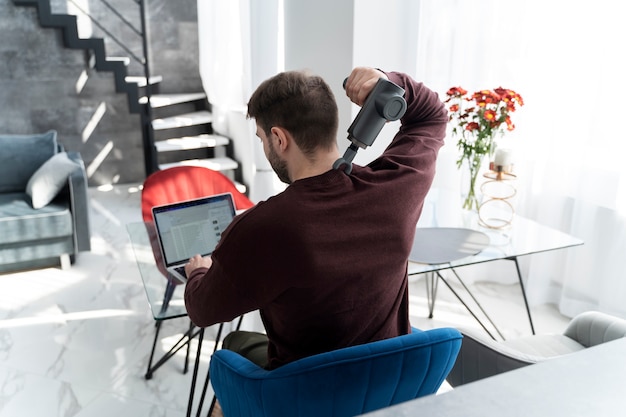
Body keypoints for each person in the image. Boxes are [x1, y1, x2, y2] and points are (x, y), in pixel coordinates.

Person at [184, 67, 447, 370]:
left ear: (279, 138)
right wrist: (388, 82)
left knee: (235, 344)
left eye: (261, 138)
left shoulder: (262, 227)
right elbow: (432, 116)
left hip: (306, 394)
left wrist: (198, 273)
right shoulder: (396, 190)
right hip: (389, 382)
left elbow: (202, 311)